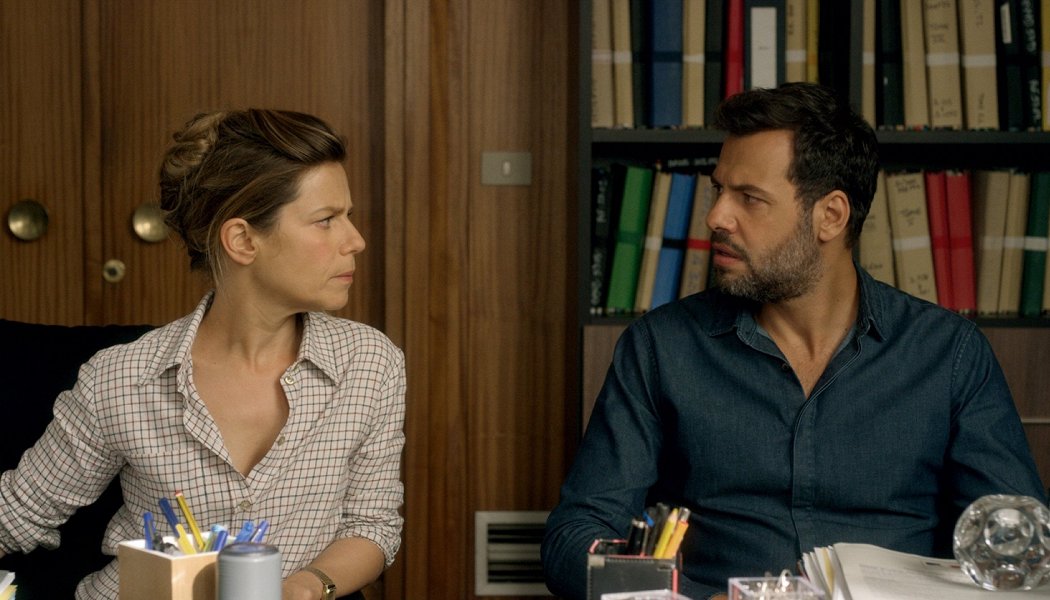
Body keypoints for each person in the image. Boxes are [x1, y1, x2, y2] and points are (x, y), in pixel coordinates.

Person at [542, 82, 1046, 600]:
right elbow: (574, 537)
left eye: (749, 198)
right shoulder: (660, 349)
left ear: (831, 216)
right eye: (719, 190)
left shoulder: (949, 354)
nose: (716, 217)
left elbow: (1022, 547)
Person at [0, 109, 405, 600]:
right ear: (243, 240)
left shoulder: (370, 364)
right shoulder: (120, 378)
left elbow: (372, 524)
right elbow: (18, 513)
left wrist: (305, 587)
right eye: (326, 221)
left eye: (348, 216)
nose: (355, 240)